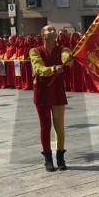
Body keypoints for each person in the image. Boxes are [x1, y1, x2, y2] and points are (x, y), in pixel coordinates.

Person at [29, 24, 73, 171]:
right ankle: (48, 159)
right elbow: (38, 68)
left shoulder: (63, 50)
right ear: (43, 34)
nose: (52, 31)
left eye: (54, 29)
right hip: (42, 91)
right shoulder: (35, 51)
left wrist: (68, 58)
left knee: (59, 126)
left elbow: (67, 58)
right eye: (49, 29)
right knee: (45, 125)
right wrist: (54, 68)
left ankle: (60, 157)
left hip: (58, 91)